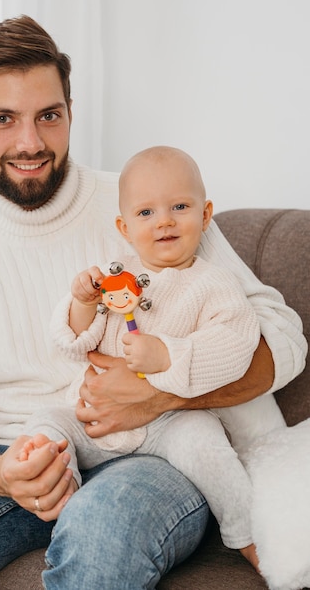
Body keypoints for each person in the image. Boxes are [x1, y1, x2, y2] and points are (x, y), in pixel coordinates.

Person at [0, 15, 306, 590]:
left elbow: (284, 340)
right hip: (21, 447)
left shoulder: (150, 203)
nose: (31, 142)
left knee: (97, 549)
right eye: (3, 119)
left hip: (158, 451)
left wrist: (156, 395)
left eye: (49, 115)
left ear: (70, 112)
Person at [21, 145, 283, 572]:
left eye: (180, 206)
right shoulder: (112, 277)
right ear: (124, 227)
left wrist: (167, 355)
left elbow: (236, 346)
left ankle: (246, 534)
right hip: (94, 418)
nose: (163, 220)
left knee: (207, 445)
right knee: (46, 422)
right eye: (146, 213)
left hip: (170, 422)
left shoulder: (215, 284)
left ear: (205, 214)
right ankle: (60, 481)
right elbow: (71, 343)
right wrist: (81, 302)